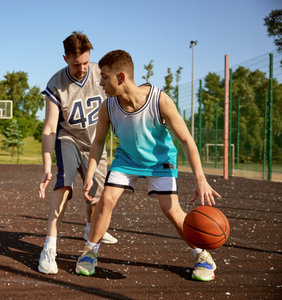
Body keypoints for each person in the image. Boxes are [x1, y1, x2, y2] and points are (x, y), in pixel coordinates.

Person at [75, 49, 222, 282]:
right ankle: (90, 252)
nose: (100, 82)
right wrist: (90, 173)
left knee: (171, 210)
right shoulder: (108, 106)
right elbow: (98, 142)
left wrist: (200, 179)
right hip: (127, 160)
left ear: (121, 77)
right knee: (106, 200)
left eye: (104, 76)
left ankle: (202, 255)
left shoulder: (159, 99)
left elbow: (186, 140)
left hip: (160, 161)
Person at [38, 32, 118, 275]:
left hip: (96, 144)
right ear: (65, 58)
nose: (82, 69)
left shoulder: (101, 74)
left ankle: (89, 227)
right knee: (64, 184)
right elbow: (51, 127)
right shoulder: (56, 83)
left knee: (96, 197)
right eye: (76, 64)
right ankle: (49, 248)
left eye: (86, 62)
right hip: (69, 138)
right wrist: (46, 165)